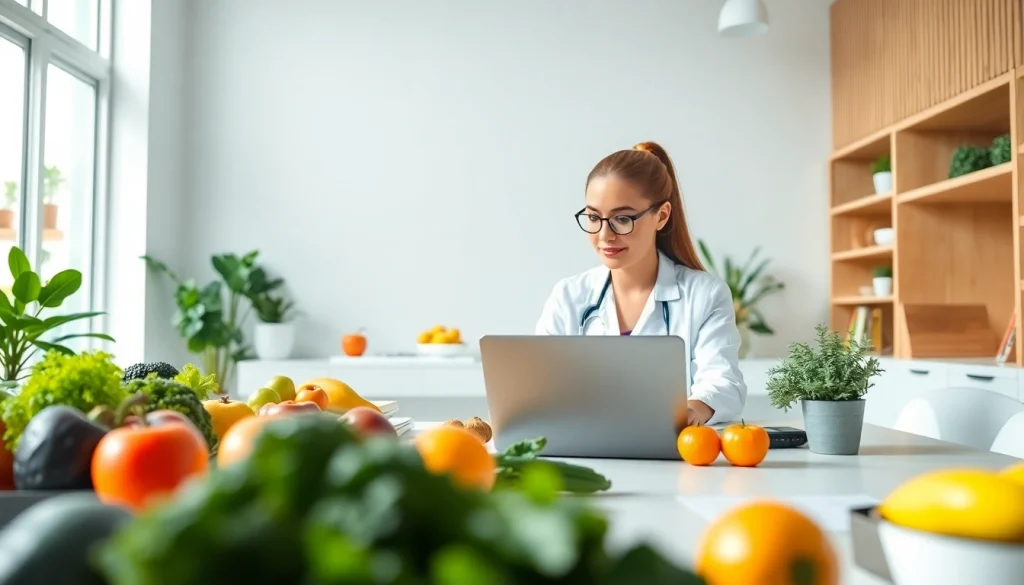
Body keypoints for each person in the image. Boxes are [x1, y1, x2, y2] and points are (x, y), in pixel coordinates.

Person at [535, 141, 746, 427]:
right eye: (594, 218)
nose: (605, 235)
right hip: (587, 452)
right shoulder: (569, 296)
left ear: (661, 216)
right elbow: (539, 384)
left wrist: (693, 410)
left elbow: (724, 384)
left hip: (670, 460)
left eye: (622, 219)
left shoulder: (705, 295)